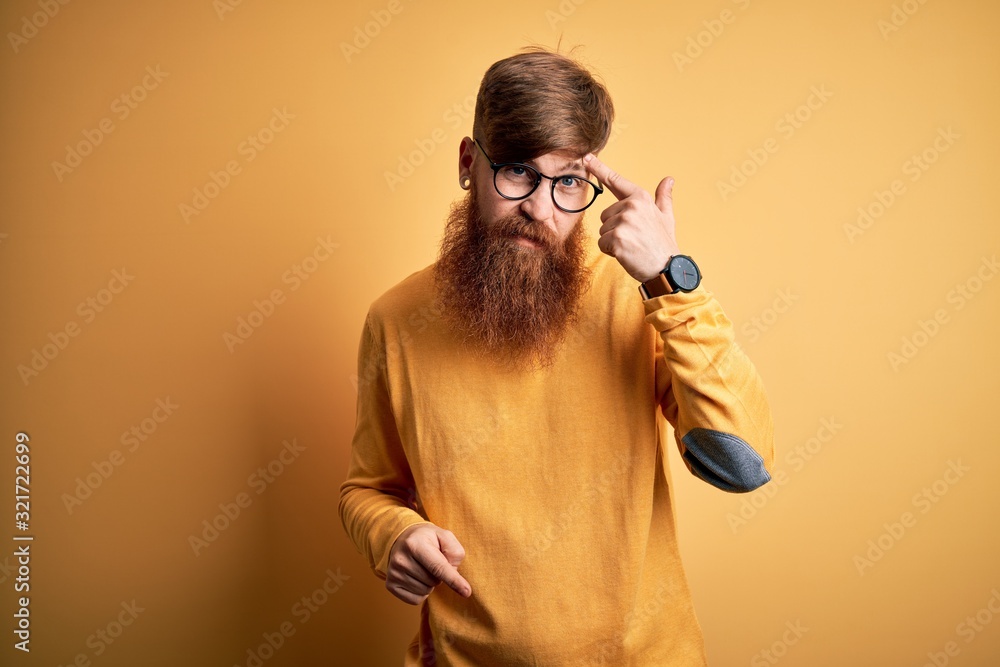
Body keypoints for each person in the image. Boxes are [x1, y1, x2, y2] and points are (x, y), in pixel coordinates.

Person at [339, 46, 775, 666]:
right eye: (517, 171)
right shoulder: (396, 321)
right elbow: (368, 490)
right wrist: (395, 536)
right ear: (469, 163)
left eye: (569, 180)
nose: (540, 210)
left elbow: (745, 465)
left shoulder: (641, 298)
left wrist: (672, 283)